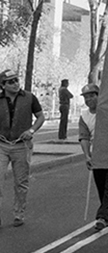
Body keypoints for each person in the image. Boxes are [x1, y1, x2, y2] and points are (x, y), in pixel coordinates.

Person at [0, 69, 45, 227]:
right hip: (2, 145)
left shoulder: (29, 97)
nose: (15, 84)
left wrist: (31, 130)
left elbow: (40, 116)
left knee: (21, 182)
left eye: (16, 80)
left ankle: (19, 214)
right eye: (10, 82)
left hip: (22, 145)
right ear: (3, 85)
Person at [79, 83, 108, 231]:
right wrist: (87, 156)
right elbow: (84, 137)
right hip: (98, 155)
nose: (89, 100)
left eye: (92, 96)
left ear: (99, 96)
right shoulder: (84, 116)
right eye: (86, 97)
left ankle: (102, 217)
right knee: (102, 187)